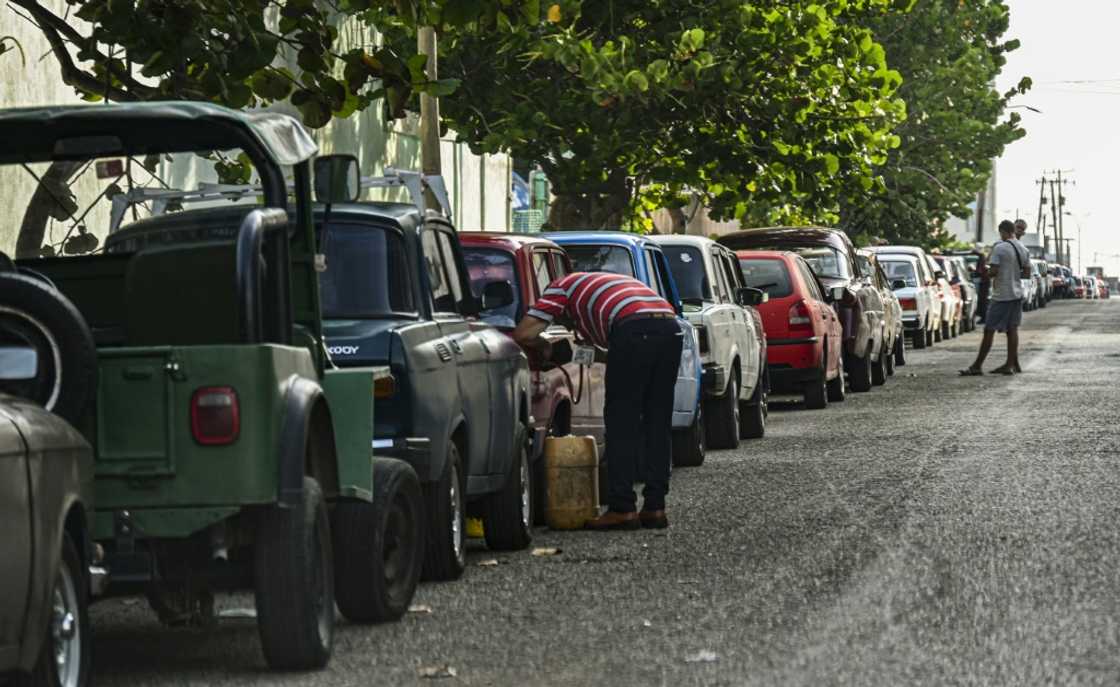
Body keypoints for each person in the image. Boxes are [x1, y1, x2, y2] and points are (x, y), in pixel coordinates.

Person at [512, 271, 683, 530]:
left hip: (633, 328)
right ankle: (655, 508)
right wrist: (573, 353)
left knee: (621, 423)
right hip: (670, 328)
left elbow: (523, 334)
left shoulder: (561, 287)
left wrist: (544, 347)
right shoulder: (603, 286)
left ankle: (622, 509)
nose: (569, 328)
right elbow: (615, 354)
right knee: (656, 421)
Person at [961, 220, 1030, 376]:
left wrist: (988, 270)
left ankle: (977, 366)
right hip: (1017, 294)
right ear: (1014, 230)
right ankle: (1010, 365)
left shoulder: (999, 248)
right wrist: (1012, 273)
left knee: (989, 330)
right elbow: (1026, 274)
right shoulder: (1023, 249)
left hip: (1001, 295)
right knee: (1012, 329)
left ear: (1002, 232)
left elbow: (993, 271)